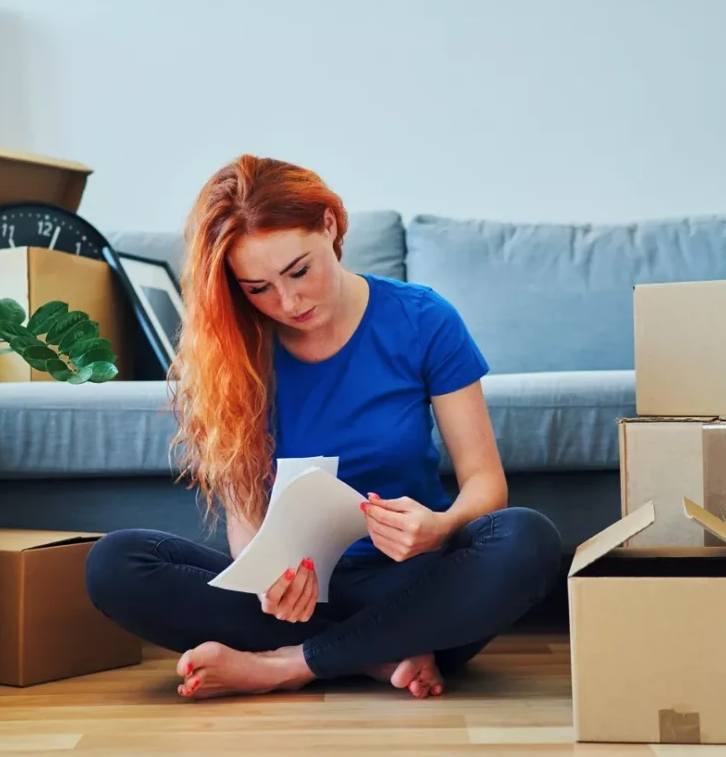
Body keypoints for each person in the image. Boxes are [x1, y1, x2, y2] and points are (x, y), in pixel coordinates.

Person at [84, 155, 563, 701]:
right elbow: (244, 517)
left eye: (299, 271)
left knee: (528, 540)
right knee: (115, 564)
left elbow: (485, 482)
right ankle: (379, 657)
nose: (288, 303)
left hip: (414, 584)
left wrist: (440, 525)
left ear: (330, 226)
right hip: (301, 602)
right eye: (258, 288)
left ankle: (286, 667)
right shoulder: (236, 349)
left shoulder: (423, 319)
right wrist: (269, 578)